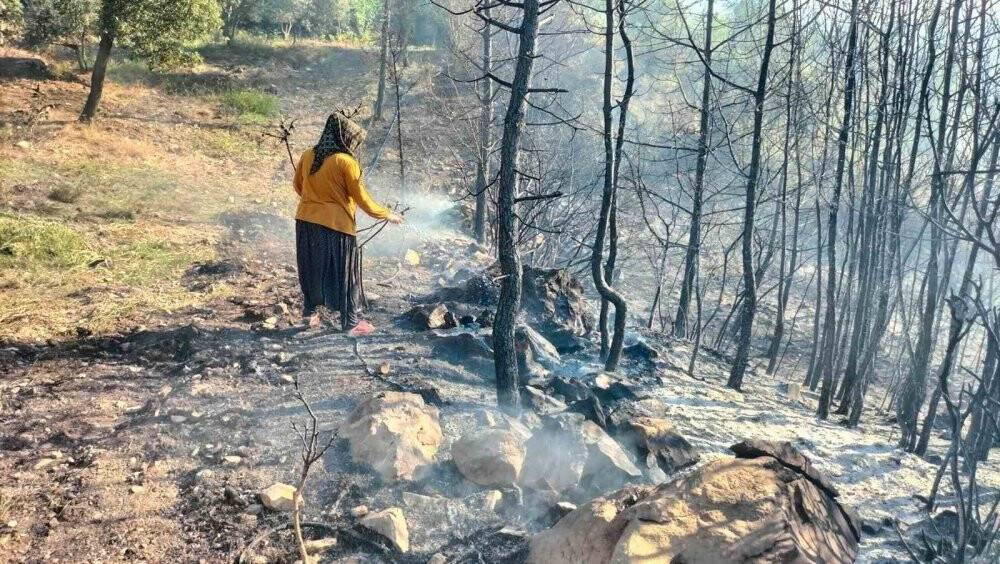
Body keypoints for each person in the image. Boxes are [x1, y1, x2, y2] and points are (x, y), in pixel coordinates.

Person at [293, 113, 404, 335]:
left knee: (312, 269)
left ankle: (309, 314)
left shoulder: (307, 155)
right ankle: (351, 323)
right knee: (345, 274)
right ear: (344, 137)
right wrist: (387, 214)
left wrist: (317, 201)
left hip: (305, 221)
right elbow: (362, 199)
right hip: (336, 228)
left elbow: (298, 186)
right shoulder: (346, 162)